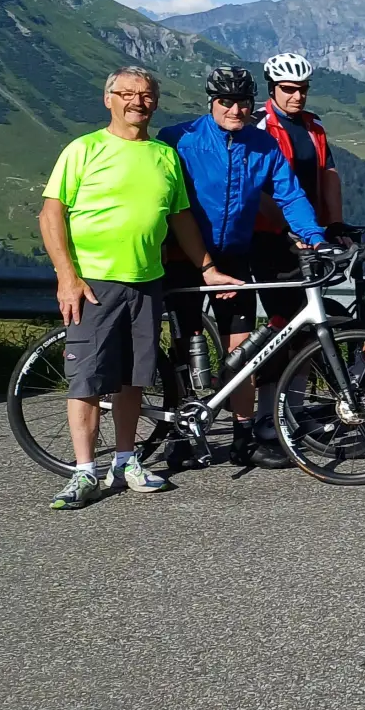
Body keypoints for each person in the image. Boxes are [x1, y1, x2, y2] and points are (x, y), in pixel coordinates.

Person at [39, 66, 242, 510]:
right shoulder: (84, 149)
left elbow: (180, 219)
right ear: (108, 98)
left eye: (147, 94)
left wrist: (206, 267)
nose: (138, 101)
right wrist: (67, 277)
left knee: (133, 379)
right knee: (87, 380)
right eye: (128, 93)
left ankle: (126, 461)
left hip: (149, 281)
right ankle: (83, 472)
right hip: (94, 281)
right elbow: (51, 214)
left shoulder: (164, 155)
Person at [158, 66, 326, 468]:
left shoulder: (263, 144)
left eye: (244, 102)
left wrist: (316, 237)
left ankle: (243, 437)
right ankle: (182, 435)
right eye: (226, 101)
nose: (235, 109)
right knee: (188, 350)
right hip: (185, 259)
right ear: (211, 101)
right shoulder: (179, 140)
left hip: (233, 258)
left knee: (241, 353)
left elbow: (290, 195)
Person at [249, 52, 346, 451]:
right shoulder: (260, 126)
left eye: (302, 89)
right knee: (280, 325)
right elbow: (257, 190)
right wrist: (290, 229)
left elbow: (328, 175)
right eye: (289, 89)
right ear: (272, 88)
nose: (297, 96)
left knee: (307, 328)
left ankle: (297, 408)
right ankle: (266, 416)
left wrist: (334, 226)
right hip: (270, 240)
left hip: (309, 240)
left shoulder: (313, 126)